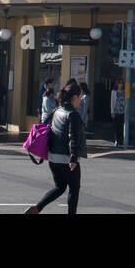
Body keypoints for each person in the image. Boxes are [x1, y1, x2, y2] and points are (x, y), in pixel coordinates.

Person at [26, 83, 87, 214]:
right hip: (66, 158)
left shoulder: (56, 110)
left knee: (60, 187)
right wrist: (74, 158)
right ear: (75, 97)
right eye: (80, 97)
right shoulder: (73, 115)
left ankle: (37, 208)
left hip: (53, 157)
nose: (81, 100)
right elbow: (73, 137)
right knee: (74, 189)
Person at [110, 80, 126, 147]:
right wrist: (112, 112)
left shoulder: (125, 92)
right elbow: (112, 102)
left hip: (122, 111)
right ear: (117, 84)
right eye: (119, 83)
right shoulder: (114, 92)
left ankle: (121, 140)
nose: (120, 84)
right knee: (116, 126)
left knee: (121, 127)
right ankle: (116, 140)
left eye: (121, 83)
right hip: (116, 111)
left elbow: (126, 101)